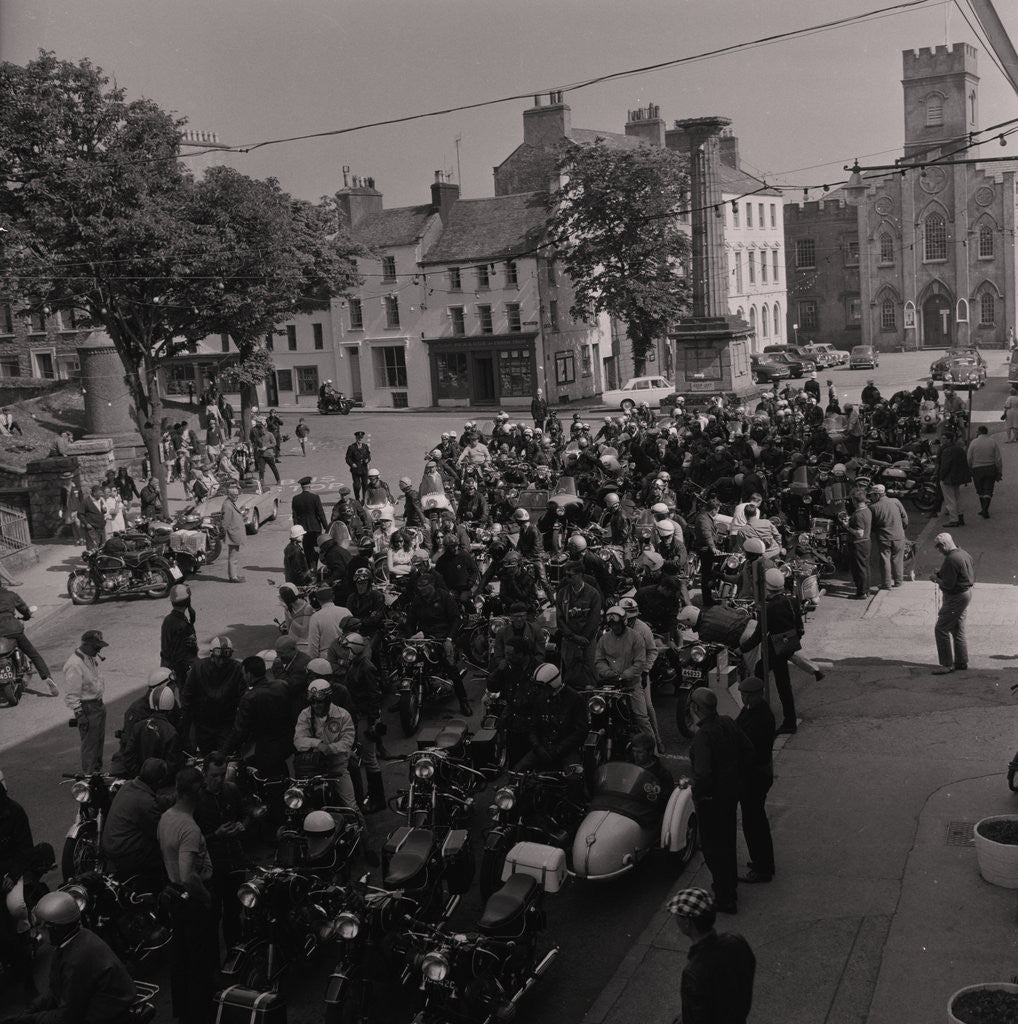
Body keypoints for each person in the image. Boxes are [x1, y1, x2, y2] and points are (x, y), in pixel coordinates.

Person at [8, 889, 137, 1024]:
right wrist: (33, 1009)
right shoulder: (77, 937)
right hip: (96, 1003)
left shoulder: (75, 961)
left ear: (56, 929)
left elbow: (67, 1017)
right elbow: (57, 989)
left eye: (42, 928)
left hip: (108, 1014)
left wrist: (30, 1020)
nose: (39, 932)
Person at [157, 766, 219, 1024]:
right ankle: (200, 1013)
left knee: (181, 959)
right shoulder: (189, 828)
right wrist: (206, 898)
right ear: (195, 792)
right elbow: (188, 875)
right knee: (199, 962)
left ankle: (184, 1011)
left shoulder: (166, 818)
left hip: (176, 897)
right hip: (192, 899)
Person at [687, 687, 752, 915]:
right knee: (727, 842)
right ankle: (728, 886)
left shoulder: (703, 736)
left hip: (712, 800)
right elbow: (748, 749)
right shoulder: (727, 722)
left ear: (696, 708)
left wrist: (698, 793)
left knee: (714, 849)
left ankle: (725, 897)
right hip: (730, 795)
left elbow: (703, 774)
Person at [665, 887, 756, 1024]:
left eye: (678, 915)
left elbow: (696, 1018)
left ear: (687, 923)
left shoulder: (693, 972)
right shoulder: (736, 941)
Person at [741, 568, 805, 735]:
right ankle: (783, 717)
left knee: (777, 682)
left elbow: (758, 637)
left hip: (774, 649)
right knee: (777, 680)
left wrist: (741, 648)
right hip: (787, 644)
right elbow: (799, 626)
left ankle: (777, 717)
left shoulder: (768, 610)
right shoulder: (792, 601)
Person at [193, 752, 246, 949]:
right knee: (212, 915)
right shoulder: (197, 798)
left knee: (234, 911)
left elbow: (244, 814)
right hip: (211, 865)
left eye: (222, 775)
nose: (218, 780)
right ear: (204, 773)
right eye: (214, 775)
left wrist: (241, 825)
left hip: (234, 860)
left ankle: (234, 951)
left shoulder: (231, 790)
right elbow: (192, 840)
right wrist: (216, 835)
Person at [404, 575, 472, 716]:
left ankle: (463, 701)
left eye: (423, 586)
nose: (420, 589)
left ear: (432, 585)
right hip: (424, 637)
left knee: (450, 667)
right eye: (419, 586)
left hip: (442, 636)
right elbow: (410, 621)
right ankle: (404, 697)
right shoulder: (417, 600)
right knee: (407, 662)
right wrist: (410, 638)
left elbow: (456, 619)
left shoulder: (445, 597)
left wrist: (449, 638)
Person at [293, 679, 360, 818]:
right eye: (313, 702)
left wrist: (330, 748)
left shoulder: (343, 715)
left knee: (351, 807)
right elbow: (298, 740)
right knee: (299, 808)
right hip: (312, 770)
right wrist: (318, 744)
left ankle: (362, 834)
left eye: (320, 702)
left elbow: (347, 742)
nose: (316, 705)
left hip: (337, 768)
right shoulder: (305, 715)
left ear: (328, 701)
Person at [99, 758, 169, 884]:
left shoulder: (128, 785)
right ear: (160, 781)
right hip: (125, 854)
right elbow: (161, 832)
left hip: (110, 845)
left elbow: (156, 800)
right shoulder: (146, 803)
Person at [735, 676, 776, 883]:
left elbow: (750, 749)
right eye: (743, 694)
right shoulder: (752, 710)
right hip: (755, 775)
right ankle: (762, 861)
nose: (743, 698)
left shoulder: (761, 718)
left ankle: (762, 867)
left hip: (755, 776)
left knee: (754, 822)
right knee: (754, 820)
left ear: (758, 695)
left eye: (747, 695)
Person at [516, 663, 589, 770]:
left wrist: (558, 750)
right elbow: (533, 727)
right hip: (543, 748)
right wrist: (538, 747)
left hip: (568, 751)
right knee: (517, 773)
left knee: (573, 778)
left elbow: (580, 732)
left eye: (541, 687)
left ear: (552, 685)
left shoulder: (575, 699)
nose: (537, 690)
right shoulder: (539, 698)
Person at [595, 605, 653, 738]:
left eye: (616, 624)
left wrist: (624, 676)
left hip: (632, 685)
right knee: (598, 714)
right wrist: (608, 673)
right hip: (610, 685)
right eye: (611, 625)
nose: (614, 627)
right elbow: (599, 660)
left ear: (623, 622)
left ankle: (654, 752)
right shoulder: (604, 639)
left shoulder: (636, 637)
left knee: (642, 718)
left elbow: (639, 663)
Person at [179, 637, 244, 754]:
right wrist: (186, 723)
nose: (222, 662)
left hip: (226, 723)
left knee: (224, 755)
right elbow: (187, 696)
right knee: (206, 755)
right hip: (204, 723)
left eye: (225, 658)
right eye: (219, 658)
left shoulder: (237, 669)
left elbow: (243, 697)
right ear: (211, 655)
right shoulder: (198, 668)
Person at [64, 630, 109, 774]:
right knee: (90, 743)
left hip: (98, 704)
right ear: (86, 645)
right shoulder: (74, 664)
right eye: (96, 647)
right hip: (88, 708)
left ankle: (96, 771)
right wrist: (79, 714)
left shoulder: (89, 657)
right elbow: (72, 694)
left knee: (98, 742)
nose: (99, 650)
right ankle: (89, 776)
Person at [930, 532, 974, 674]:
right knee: (957, 628)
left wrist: (935, 578)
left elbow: (948, 584)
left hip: (955, 596)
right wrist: (942, 573)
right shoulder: (963, 553)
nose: (939, 551)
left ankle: (947, 664)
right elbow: (959, 572)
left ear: (944, 545)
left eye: (939, 547)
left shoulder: (951, 559)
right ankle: (961, 661)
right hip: (965, 593)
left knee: (941, 628)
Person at [555, 560, 602, 690]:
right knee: (570, 673)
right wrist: (573, 637)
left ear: (580, 575)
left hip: (588, 642)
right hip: (569, 642)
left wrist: (583, 639)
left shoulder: (593, 594)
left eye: (570, 575)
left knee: (591, 674)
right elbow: (559, 620)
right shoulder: (562, 593)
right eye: (565, 575)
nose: (567, 578)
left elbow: (594, 620)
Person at [0, 583, 53, 690]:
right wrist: (27, 615)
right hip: (13, 628)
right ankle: (47, 677)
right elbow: (23, 608)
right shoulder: (10, 595)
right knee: (33, 655)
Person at [868, 484, 907, 589]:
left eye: (872, 495)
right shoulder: (896, 501)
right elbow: (905, 518)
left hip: (884, 538)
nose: (871, 498)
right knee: (898, 559)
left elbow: (872, 525)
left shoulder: (872, 507)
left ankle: (886, 584)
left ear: (877, 495)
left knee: (885, 560)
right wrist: (901, 529)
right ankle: (898, 582)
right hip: (899, 536)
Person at [292, 475, 328, 570]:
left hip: (303, 529)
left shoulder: (295, 499)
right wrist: (326, 527)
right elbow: (321, 514)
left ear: (302, 487)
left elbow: (295, 516)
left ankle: (309, 567)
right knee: (315, 549)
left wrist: (296, 529)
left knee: (307, 549)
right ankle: (314, 567)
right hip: (315, 527)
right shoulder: (315, 497)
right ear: (309, 486)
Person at [936, 431, 971, 528]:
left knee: (950, 499)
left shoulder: (947, 451)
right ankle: (960, 517)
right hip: (957, 477)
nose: (942, 440)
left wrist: (941, 477)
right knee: (957, 497)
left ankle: (953, 520)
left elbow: (944, 467)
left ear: (949, 439)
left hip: (948, 478)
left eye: (944, 438)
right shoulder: (959, 449)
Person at [966, 425, 1003, 519]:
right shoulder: (993, 442)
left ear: (979, 432)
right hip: (990, 468)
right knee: (988, 489)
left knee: (980, 490)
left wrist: (969, 468)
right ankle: (985, 509)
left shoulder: (974, 442)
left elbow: (969, 458)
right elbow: (998, 459)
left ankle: (983, 509)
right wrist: (999, 471)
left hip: (977, 469)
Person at [307, 585, 352, 660]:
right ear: (333, 597)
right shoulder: (346, 611)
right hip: (346, 656)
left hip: (326, 659)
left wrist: (314, 662)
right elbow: (354, 635)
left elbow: (313, 646)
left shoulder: (315, 617)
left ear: (318, 600)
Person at [844, 488, 873, 599]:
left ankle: (861, 593)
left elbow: (859, 533)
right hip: (866, 543)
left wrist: (847, 527)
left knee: (858, 569)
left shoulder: (858, 515)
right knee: (865, 567)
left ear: (855, 500)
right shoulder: (867, 510)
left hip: (858, 544)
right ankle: (866, 590)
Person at [222, 481, 246, 583]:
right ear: (229, 495)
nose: (236, 497)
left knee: (234, 556)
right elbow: (225, 522)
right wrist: (224, 534)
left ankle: (234, 574)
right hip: (232, 534)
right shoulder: (227, 505)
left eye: (237, 495)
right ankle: (233, 576)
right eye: (234, 495)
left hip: (234, 533)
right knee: (233, 557)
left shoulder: (230, 503)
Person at [76, 485, 106, 551]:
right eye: (100, 493)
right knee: (92, 548)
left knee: (103, 547)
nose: (101, 495)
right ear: (94, 493)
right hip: (92, 529)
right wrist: (86, 524)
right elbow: (80, 514)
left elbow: (100, 512)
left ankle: (101, 560)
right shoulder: (86, 501)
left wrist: (104, 510)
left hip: (101, 528)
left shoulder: (100, 500)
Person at [345, 430, 371, 501]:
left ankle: (364, 499)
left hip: (364, 469)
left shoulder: (365, 447)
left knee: (365, 485)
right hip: (356, 470)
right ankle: (357, 498)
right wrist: (352, 464)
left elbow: (368, 456)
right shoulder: (351, 447)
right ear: (356, 438)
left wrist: (367, 460)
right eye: (359, 438)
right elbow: (347, 458)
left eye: (361, 438)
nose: (360, 439)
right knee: (357, 485)